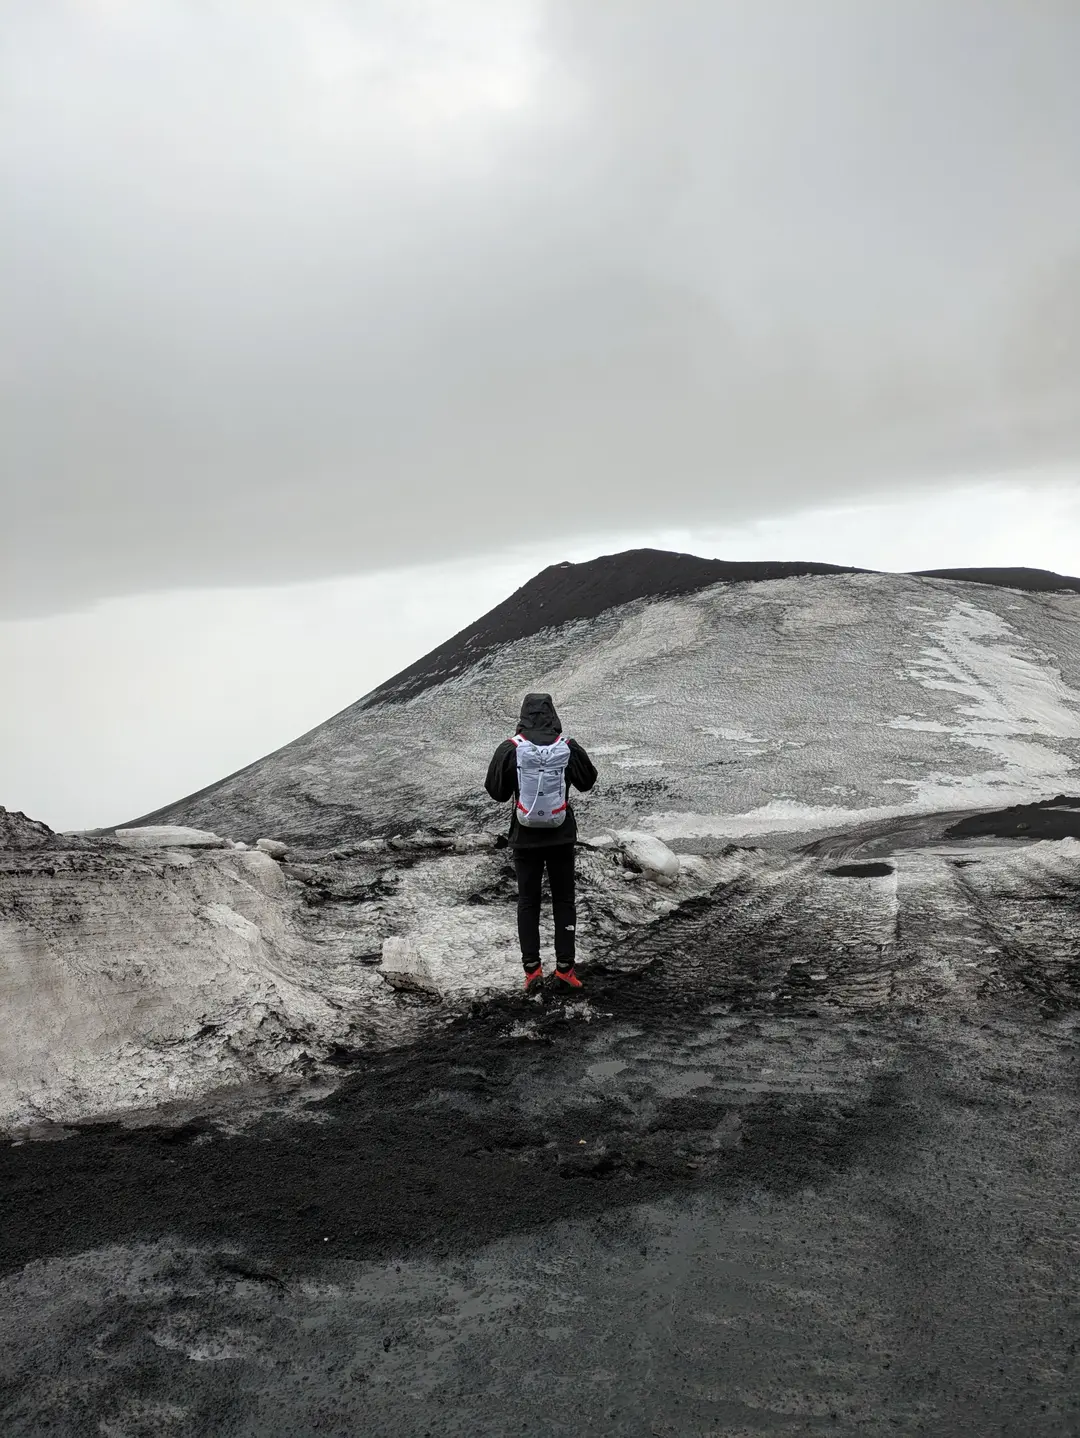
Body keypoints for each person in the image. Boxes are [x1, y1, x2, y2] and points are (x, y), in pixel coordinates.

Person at [485, 693, 598, 992]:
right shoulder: (567, 747)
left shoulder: (511, 748)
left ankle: (532, 971)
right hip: (561, 836)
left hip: (524, 838)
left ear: (523, 715)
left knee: (528, 902)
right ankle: (566, 969)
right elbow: (588, 782)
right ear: (552, 714)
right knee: (563, 900)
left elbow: (495, 791)